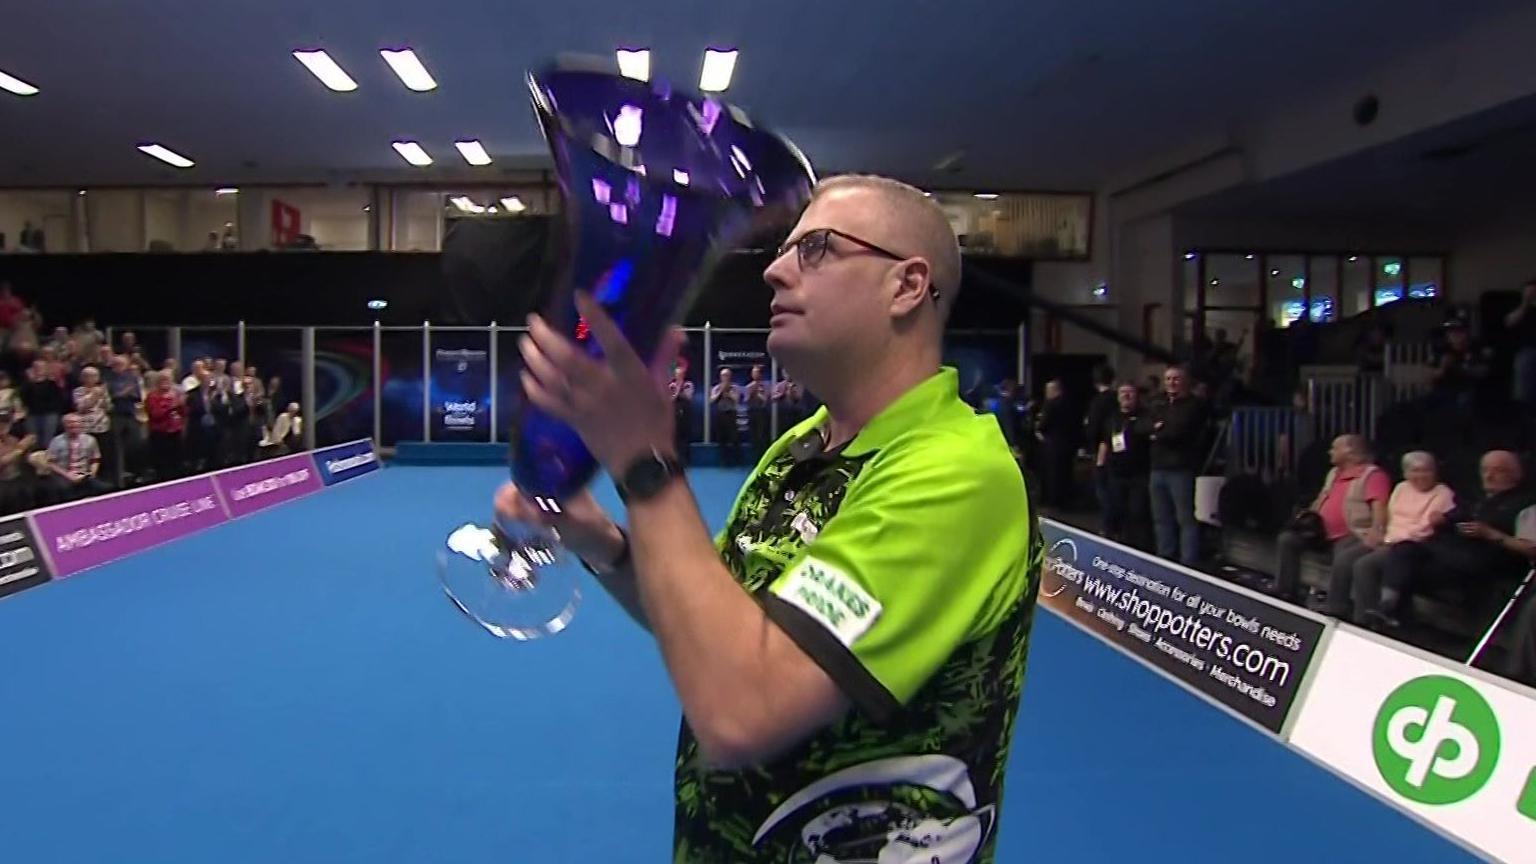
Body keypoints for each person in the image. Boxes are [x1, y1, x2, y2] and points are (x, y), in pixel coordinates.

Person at [500, 174, 1036, 861]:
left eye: (814, 249)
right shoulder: (803, 445)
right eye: (782, 251)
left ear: (906, 286)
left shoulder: (959, 474)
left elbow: (742, 709)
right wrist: (601, 541)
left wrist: (642, 461)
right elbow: (721, 616)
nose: (776, 273)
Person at [1368, 450, 1536, 630]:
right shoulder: (1476, 498)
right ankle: (1387, 607)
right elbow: (1455, 517)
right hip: (1450, 553)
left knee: (1394, 567)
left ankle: (1394, 623)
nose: (1489, 475)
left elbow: (1531, 549)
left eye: (1497, 471)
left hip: (1485, 562)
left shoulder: (1526, 505)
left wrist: (1491, 534)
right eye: (1485, 470)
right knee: (1403, 550)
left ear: (1515, 474)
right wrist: (1444, 520)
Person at [1269, 434, 1389, 606]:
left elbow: (1380, 507)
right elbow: (1323, 499)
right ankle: (1285, 591)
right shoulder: (1334, 473)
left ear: (1350, 451)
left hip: (1351, 533)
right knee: (1287, 539)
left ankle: (1336, 607)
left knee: (1343, 557)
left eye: (1335, 448)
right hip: (1321, 532)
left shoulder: (1373, 475)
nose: (1330, 452)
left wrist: (1377, 530)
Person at [1342, 451, 1456, 623]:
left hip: (1412, 547)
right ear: (1406, 473)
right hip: (1389, 538)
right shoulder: (1401, 487)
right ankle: (1340, 609)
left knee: (1364, 565)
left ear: (1435, 472)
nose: (1420, 476)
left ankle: (1366, 621)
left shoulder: (1443, 493)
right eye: (1414, 471)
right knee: (1346, 555)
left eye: (1426, 471)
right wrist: (1380, 533)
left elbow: (1424, 529)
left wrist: (1389, 541)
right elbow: (1390, 516)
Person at [1141, 365, 1209, 565]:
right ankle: (1166, 557)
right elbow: (1142, 426)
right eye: (1168, 379)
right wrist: (1156, 429)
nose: (1171, 383)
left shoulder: (1194, 405)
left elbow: (1180, 431)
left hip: (1180, 468)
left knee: (1185, 518)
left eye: (1176, 379)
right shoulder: (1158, 403)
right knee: (1161, 518)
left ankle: (1188, 562)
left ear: (1185, 382)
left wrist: (1157, 432)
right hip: (1157, 467)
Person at [1097, 382, 1152, 549]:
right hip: (1115, 471)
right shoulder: (1112, 418)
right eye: (1122, 393)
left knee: (1137, 512)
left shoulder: (1145, 417)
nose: (1126, 396)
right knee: (1117, 509)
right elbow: (1105, 442)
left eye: (1130, 392)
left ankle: (1138, 547)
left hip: (1139, 472)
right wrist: (1100, 465)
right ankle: (1118, 543)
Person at [44, 413, 109, 503]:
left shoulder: (90, 440)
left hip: (84, 474)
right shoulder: (56, 441)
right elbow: (51, 463)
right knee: (65, 491)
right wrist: (68, 475)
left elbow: (95, 459)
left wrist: (91, 473)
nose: (74, 425)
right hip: (64, 474)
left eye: (76, 422)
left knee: (105, 488)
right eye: (70, 422)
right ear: (65, 425)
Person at [1084, 363, 1117, 508]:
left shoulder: (1097, 402)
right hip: (1118, 447)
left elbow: (1094, 427)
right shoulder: (1117, 398)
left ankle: (1108, 524)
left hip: (1101, 449)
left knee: (1103, 488)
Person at [144, 372, 186, 481]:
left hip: (175, 431)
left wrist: (182, 405)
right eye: (163, 380)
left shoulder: (175, 394)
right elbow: (155, 414)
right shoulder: (152, 396)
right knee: (163, 463)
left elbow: (183, 413)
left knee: (177, 460)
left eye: (168, 380)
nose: (166, 383)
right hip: (160, 432)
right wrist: (171, 407)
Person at [1504, 279, 1536, 408]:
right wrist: (1525, 304)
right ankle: (1525, 408)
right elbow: (1509, 322)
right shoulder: (1519, 307)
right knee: (1524, 363)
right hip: (1528, 349)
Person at [0, 411, 36, 515]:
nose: (2, 425)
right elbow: (2, 463)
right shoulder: (18, 444)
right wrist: (20, 448)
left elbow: (23, 460)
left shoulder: (13, 439)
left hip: (17, 479)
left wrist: (33, 454)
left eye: (6, 423)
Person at [709, 366, 743, 466]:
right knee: (721, 438)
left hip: (731, 414)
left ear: (730, 376)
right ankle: (724, 461)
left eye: (727, 375)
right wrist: (720, 391)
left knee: (734, 438)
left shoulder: (735, 387)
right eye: (723, 375)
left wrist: (728, 393)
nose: (725, 377)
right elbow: (711, 401)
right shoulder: (716, 388)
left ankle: (737, 461)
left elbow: (737, 400)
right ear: (720, 377)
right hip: (720, 414)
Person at [667, 363, 695, 465]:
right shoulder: (671, 386)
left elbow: (689, 398)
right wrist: (677, 390)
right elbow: (670, 399)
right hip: (674, 413)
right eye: (677, 374)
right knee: (675, 437)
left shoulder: (688, 384)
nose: (679, 376)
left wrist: (680, 391)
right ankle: (675, 460)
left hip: (686, 413)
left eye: (681, 374)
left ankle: (686, 460)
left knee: (685, 437)